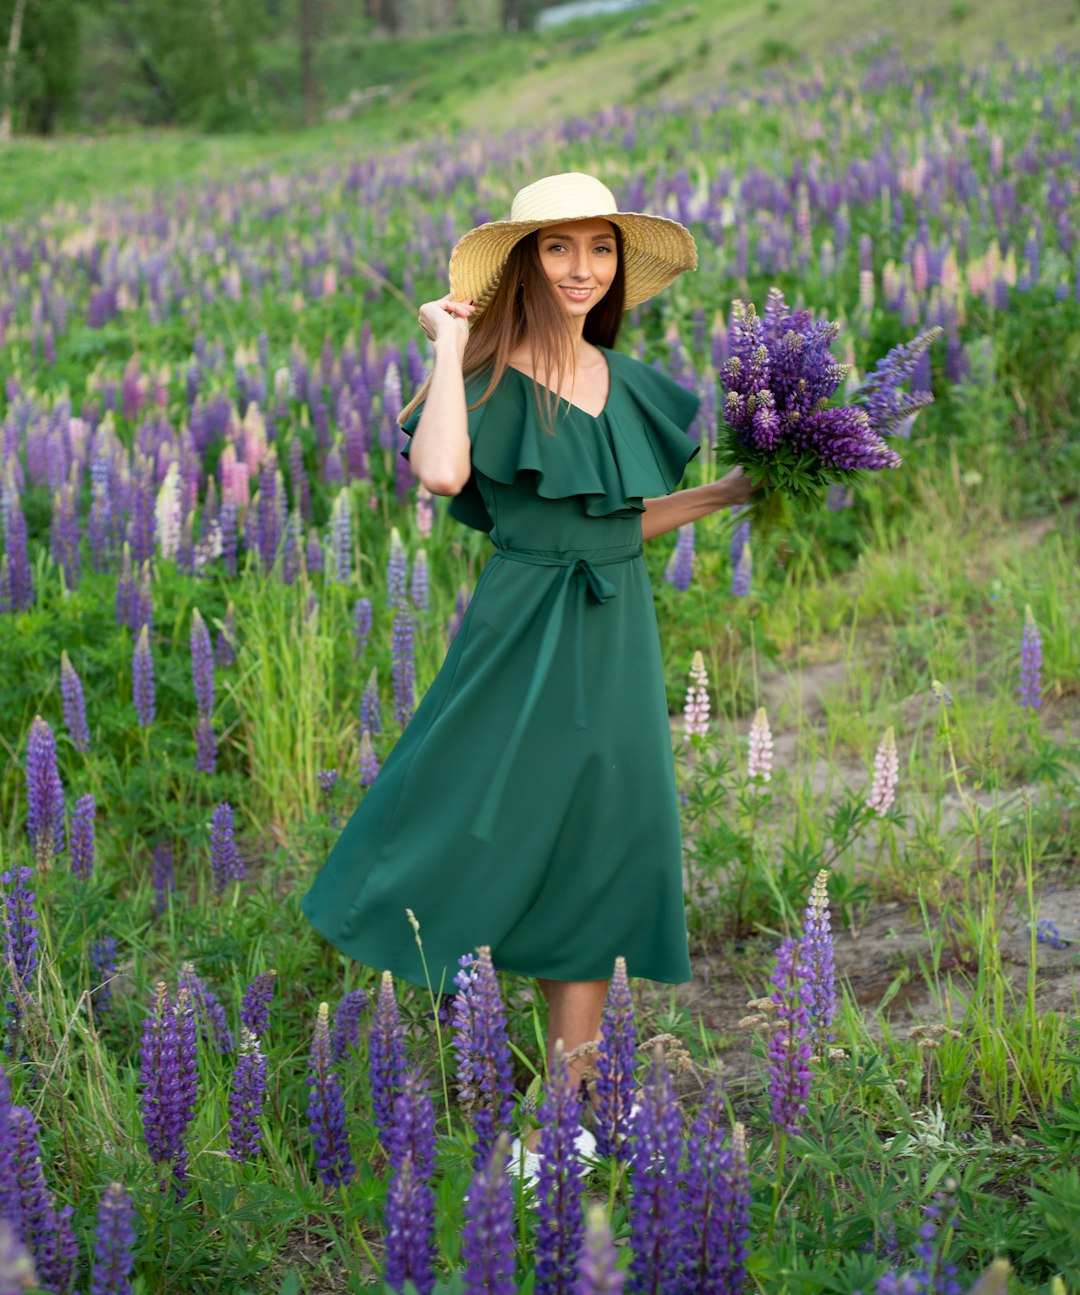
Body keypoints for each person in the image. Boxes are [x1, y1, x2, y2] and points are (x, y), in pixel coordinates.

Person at [301, 172, 754, 1160]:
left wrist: (726, 491)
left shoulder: (629, 384)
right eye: (558, 248)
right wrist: (449, 339)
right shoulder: (485, 377)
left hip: (616, 623)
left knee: (608, 832)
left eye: (600, 248)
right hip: (521, 626)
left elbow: (616, 516)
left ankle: (570, 1108)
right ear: (524, 262)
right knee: (486, 810)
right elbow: (444, 474)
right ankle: (420, 954)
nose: (582, 268)